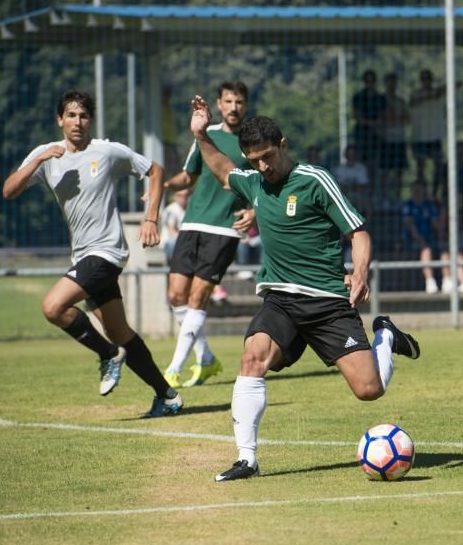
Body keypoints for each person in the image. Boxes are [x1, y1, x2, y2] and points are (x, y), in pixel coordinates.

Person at [189, 96, 420, 482]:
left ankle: (385, 336)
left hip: (328, 303)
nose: (262, 166)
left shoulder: (315, 180)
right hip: (280, 299)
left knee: (368, 390)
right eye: (254, 160)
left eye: (267, 156)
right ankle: (247, 460)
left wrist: (360, 274)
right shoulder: (255, 181)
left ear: (283, 144)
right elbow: (223, 171)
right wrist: (201, 136)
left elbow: (358, 232)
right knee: (252, 358)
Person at [2, 90, 182, 418]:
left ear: (91, 120)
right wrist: (39, 161)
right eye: (71, 115)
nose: (78, 122)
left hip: (107, 252)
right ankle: (167, 395)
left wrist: (152, 216)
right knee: (120, 331)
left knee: (53, 306)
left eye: (84, 116)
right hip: (83, 256)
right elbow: (9, 191)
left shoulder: (107, 151)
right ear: (60, 120)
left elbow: (154, 170)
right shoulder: (46, 155)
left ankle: (108, 355)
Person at [162, 81, 255, 389]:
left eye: (239, 102)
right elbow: (190, 174)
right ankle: (206, 359)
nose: (233, 107)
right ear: (219, 103)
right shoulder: (207, 134)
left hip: (224, 229)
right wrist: (161, 186)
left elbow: (267, 181)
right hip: (192, 224)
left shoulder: (253, 140)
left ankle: (173, 369)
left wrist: (254, 210)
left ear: (246, 105)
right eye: (228, 101)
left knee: (198, 297)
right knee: (176, 295)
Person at [400, 180, 443, 294]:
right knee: (426, 250)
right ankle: (430, 281)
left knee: (444, 249)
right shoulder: (408, 205)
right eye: (415, 189)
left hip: (429, 238)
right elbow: (410, 226)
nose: (418, 191)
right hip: (411, 239)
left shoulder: (429, 205)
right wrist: (421, 240)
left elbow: (436, 225)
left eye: (420, 189)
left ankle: (448, 281)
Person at [409, 69, 447, 187]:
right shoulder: (415, 94)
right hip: (420, 136)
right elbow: (412, 103)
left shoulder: (438, 94)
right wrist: (430, 96)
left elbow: (456, 85)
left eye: (428, 79)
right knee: (420, 168)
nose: (426, 81)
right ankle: (422, 193)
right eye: (424, 79)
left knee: (438, 166)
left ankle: (435, 193)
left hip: (435, 136)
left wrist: (437, 92)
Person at [378, 72, 409, 206]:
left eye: (394, 82)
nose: (392, 85)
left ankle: (396, 198)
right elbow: (383, 119)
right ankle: (384, 198)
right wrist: (395, 119)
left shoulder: (400, 101)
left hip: (399, 140)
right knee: (384, 172)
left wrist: (393, 119)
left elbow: (406, 119)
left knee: (399, 173)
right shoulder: (381, 101)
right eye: (389, 82)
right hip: (386, 140)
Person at [352, 70, 386, 166]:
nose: (370, 83)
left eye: (372, 81)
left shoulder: (381, 98)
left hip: (376, 135)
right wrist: (372, 123)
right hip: (361, 135)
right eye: (367, 81)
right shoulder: (358, 97)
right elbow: (357, 117)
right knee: (360, 162)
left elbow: (382, 117)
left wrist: (372, 124)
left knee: (375, 162)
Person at [160, 188, 189, 261]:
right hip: (170, 242)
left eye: (185, 195)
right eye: (180, 195)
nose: (183, 198)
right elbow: (171, 231)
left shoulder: (188, 209)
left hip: (182, 242)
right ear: (175, 196)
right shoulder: (171, 209)